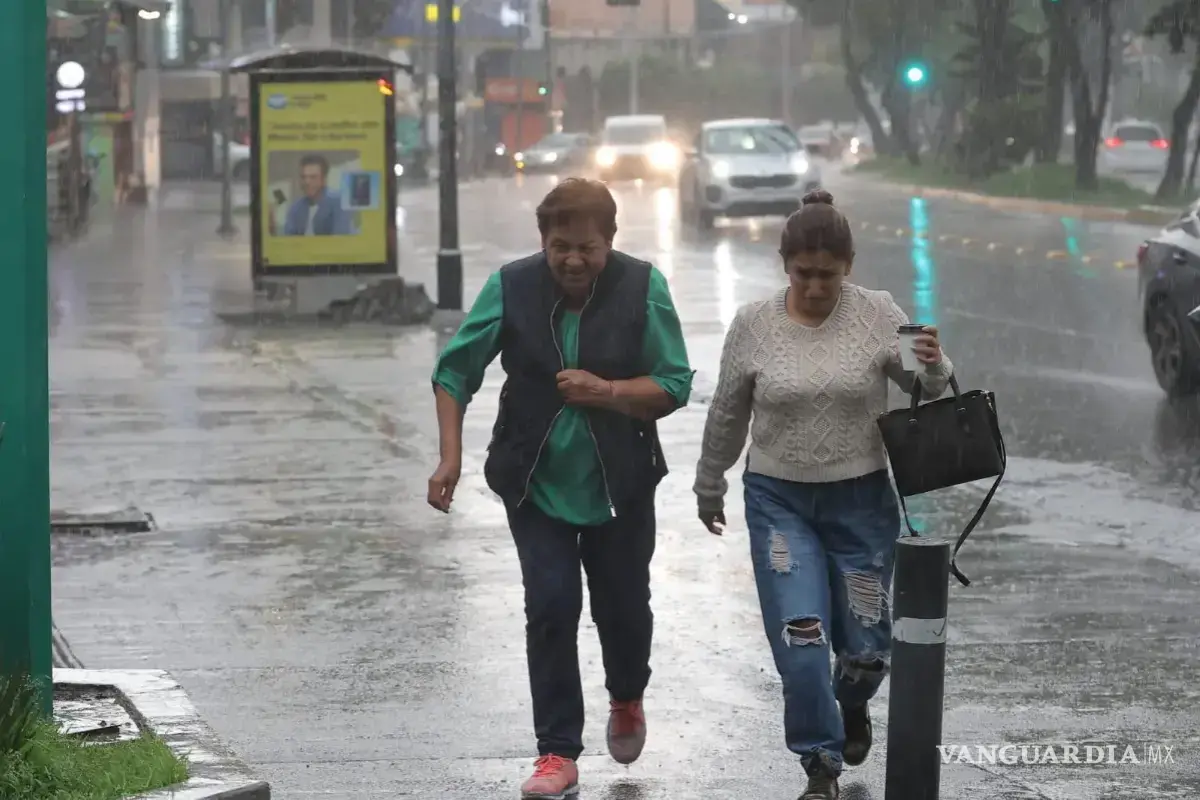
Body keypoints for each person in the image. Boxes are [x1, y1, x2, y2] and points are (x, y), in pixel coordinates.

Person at [428, 177, 694, 799]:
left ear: (610, 242)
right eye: (560, 247)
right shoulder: (512, 285)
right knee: (550, 606)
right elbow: (454, 371)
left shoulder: (642, 285)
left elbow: (674, 383)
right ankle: (556, 752)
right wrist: (450, 458)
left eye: (588, 247)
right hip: (533, 481)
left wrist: (608, 391)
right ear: (543, 242)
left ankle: (626, 694)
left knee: (623, 608)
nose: (574, 260)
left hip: (620, 482)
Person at [693, 190, 953, 800]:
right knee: (801, 632)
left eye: (827, 275)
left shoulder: (876, 312)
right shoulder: (754, 325)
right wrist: (710, 483)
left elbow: (928, 385)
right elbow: (727, 413)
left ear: (848, 267)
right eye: (803, 274)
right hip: (779, 503)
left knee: (866, 645)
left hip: (860, 501)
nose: (814, 287)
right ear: (786, 265)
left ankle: (852, 701)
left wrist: (934, 364)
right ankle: (820, 765)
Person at [282, 154, 352, 236]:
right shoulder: (296, 208)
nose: (307, 182)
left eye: (313, 177)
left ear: (324, 179)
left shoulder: (339, 202)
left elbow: (340, 239)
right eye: (303, 177)